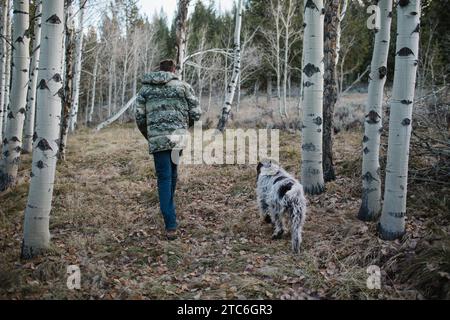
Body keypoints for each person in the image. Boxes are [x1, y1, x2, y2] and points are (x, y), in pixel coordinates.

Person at [135, 59, 201, 240]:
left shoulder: (145, 90)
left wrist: (151, 136)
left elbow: (139, 117)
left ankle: (169, 213)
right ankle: (170, 222)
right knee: (171, 174)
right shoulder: (183, 87)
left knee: (165, 177)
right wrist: (184, 128)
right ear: (173, 70)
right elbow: (196, 113)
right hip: (177, 138)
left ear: (159, 70)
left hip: (158, 140)